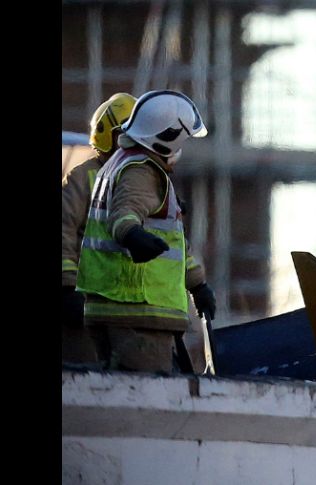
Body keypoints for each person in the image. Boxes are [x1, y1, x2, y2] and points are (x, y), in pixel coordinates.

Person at [76, 89, 216, 373]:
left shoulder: (118, 164)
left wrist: (197, 285)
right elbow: (124, 214)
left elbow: (172, 242)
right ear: (166, 139)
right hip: (137, 310)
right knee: (143, 400)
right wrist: (131, 234)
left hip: (114, 308)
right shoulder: (142, 171)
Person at [62, 93, 136, 363]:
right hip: (85, 307)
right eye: (125, 135)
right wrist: (67, 286)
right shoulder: (84, 178)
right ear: (109, 136)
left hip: (127, 310)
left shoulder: (145, 182)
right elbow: (63, 230)